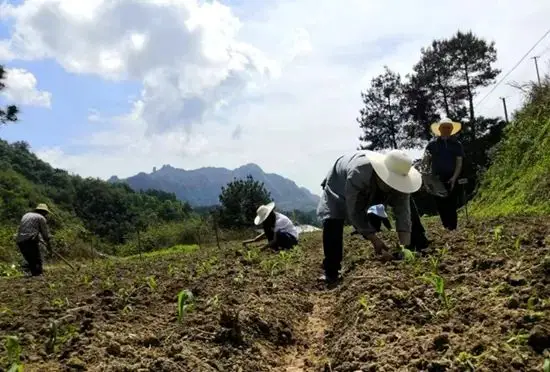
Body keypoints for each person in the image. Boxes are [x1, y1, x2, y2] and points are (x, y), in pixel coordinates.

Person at [317, 149, 423, 286]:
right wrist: (374, 239)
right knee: (333, 218)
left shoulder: (401, 179)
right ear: (381, 174)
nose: (394, 187)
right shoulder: (359, 173)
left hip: (369, 185)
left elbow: (403, 213)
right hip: (339, 183)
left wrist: (403, 247)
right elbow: (354, 211)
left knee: (406, 205)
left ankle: (419, 242)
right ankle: (331, 271)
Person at [422, 118, 464, 231]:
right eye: (444, 127)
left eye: (448, 127)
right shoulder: (431, 145)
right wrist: (426, 180)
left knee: (452, 202)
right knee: (440, 204)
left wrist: (454, 178)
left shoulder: (456, 145)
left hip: (452, 177)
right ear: (439, 129)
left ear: (451, 130)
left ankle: (453, 227)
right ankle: (446, 226)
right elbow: (425, 163)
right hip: (436, 179)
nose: (446, 129)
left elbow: (459, 163)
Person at [15, 203, 53, 276]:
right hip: (30, 240)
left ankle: (33, 275)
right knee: (37, 260)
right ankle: (38, 277)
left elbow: (26, 229)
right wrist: (49, 247)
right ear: (43, 212)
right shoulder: (41, 218)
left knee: (30, 260)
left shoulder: (26, 215)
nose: (46, 215)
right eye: (45, 213)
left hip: (20, 240)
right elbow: (46, 235)